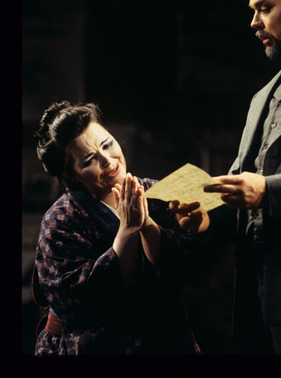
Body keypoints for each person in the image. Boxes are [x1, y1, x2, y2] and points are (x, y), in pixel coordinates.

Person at [173, 0, 281, 355]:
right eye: (253, 11)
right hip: (258, 304)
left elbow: (260, 189)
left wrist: (269, 190)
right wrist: (204, 218)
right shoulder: (261, 98)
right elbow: (240, 190)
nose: (254, 23)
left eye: (264, 9)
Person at [32, 101, 204, 355]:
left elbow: (182, 265)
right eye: (90, 160)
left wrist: (146, 224)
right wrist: (127, 230)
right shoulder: (60, 221)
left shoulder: (154, 193)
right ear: (71, 175)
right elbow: (84, 300)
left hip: (165, 340)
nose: (108, 161)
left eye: (107, 144)